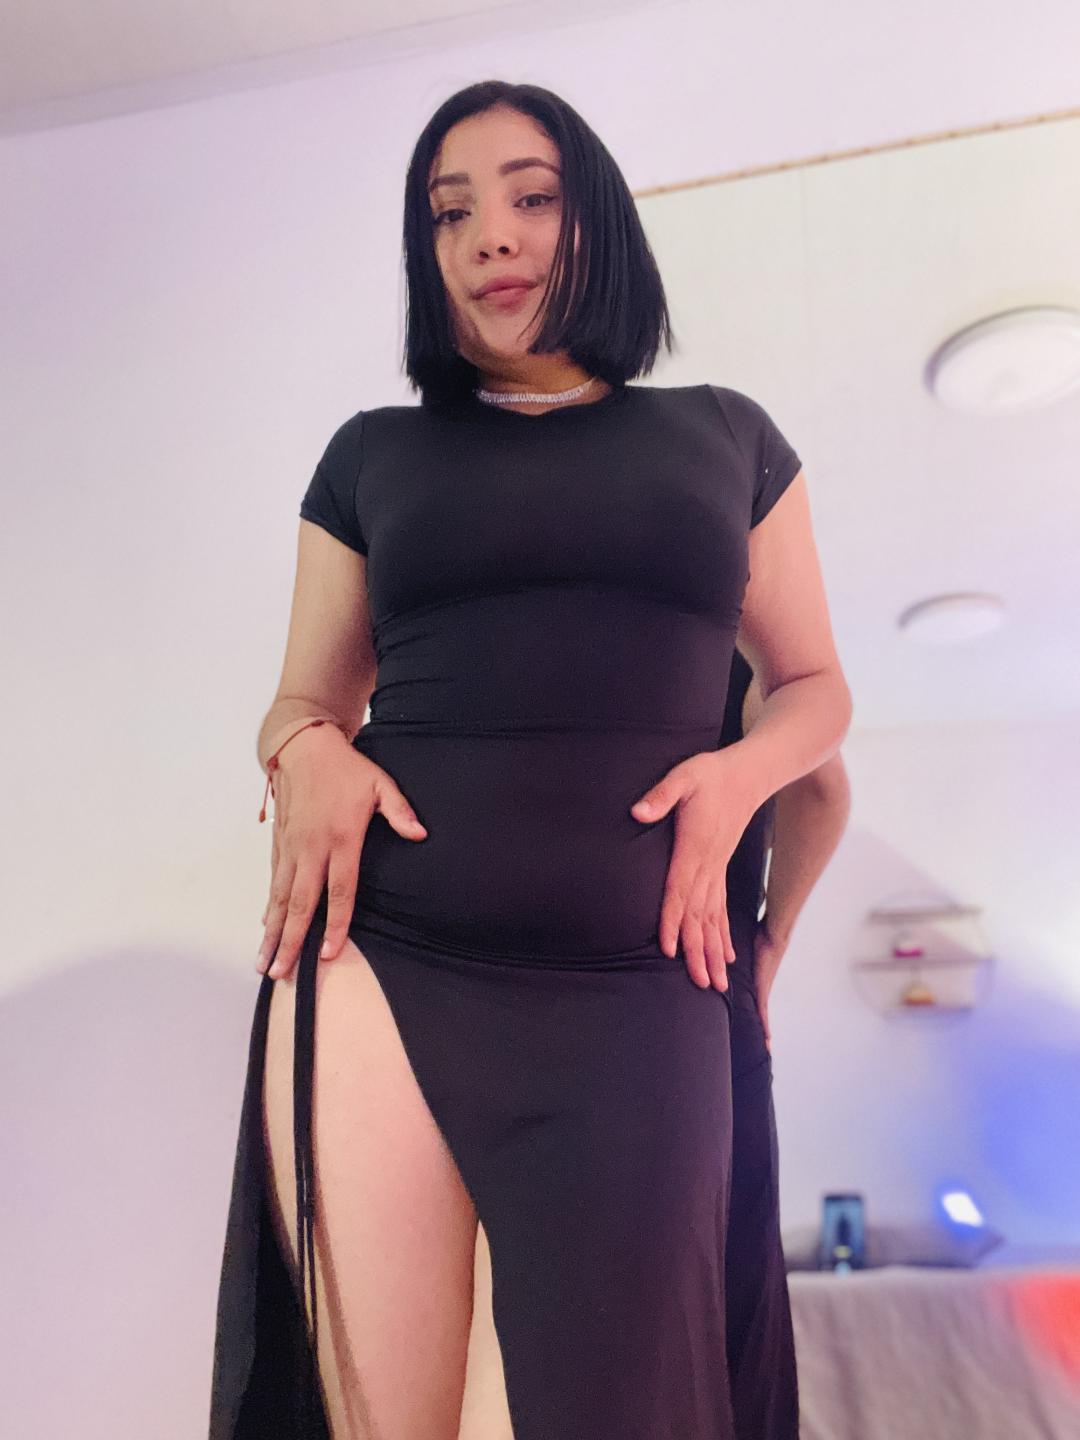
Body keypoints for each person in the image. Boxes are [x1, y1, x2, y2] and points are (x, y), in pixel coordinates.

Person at [208, 80, 852, 1440]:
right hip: (385, 957)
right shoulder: (371, 457)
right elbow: (302, 699)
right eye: (450, 214)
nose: (490, 235)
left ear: (597, 219)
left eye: (532, 196)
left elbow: (814, 690)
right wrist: (304, 748)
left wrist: (738, 783)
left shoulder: (727, 436)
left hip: (642, 982)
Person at [455, 648, 852, 1440]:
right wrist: (770, 939)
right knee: (710, 1340)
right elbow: (821, 791)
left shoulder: (488, 645)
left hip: (495, 1022)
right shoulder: (724, 646)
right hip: (700, 1009)